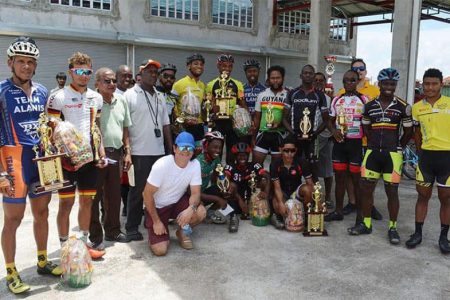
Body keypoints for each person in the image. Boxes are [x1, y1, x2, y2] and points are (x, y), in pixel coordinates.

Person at [0, 36, 62, 295]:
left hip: (41, 160)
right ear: (10, 63)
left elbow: (48, 124)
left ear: (35, 66)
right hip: (13, 161)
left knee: (42, 213)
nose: (25, 66)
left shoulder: (43, 91)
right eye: (21, 61)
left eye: (30, 62)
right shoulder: (1, 91)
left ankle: (42, 260)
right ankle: (11, 272)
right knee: (13, 219)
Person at [47, 52, 106, 258]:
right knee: (66, 203)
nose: (84, 75)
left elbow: (96, 127)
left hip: (89, 158)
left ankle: (82, 243)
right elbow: (50, 131)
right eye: (79, 71)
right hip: (66, 161)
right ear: (71, 72)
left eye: (87, 71)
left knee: (87, 201)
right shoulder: (58, 97)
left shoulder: (96, 97)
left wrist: (101, 152)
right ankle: (64, 246)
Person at [347, 68, 412, 244]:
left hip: (392, 155)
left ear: (396, 85)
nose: (389, 87)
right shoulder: (369, 106)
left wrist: (399, 146)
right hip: (372, 153)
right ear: (380, 84)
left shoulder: (403, 107)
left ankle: (393, 228)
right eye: (386, 84)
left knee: (392, 192)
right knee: (366, 189)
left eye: (393, 84)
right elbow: (366, 128)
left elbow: (408, 131)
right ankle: (366, 224)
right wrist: (373, 142)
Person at [124, 58, 173, 242]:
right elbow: (125, 126)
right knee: (137, 192)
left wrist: (170, 150)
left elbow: (166, 125)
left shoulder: (160, 97)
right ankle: (131, 227)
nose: (153, 75)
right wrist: (127, 150)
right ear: (141, 73)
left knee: (157, 190)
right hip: (139, 152)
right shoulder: (129, 95)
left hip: (158, 151)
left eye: (155, 73)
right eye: (149, 71)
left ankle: (152, 221)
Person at [406, 68, 450, 253]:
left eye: (434, 84)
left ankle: (443, 237)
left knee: (446, 199)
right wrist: (420, 152)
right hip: (426, 159)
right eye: (427, 84)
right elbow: (416, 132)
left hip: (447, 157)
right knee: (422, 196)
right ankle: (417, 233)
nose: (430, 87)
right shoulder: (417, 108)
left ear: (441, 84)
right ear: (422, 84)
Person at [143, 132, 206, 256]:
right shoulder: (162, 165)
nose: (186, 151)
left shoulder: (195, 165)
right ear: (174, 148)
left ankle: (182, 232)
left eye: (190, 148)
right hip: (158, 207)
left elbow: (196, 193)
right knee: (160, 250)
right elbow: (146, 195)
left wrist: (190, 209)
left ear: (194, 151)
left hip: (176, 202)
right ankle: (157, 228)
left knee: (200, 212)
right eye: (182, 147)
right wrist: (156, 221)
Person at [89, 68, 132, 245]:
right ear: (97, 84)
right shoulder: (91, 101)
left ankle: (113, 231)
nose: (112, 84)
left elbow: (125, 127)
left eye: (114, 81)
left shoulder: (121, 100)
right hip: (95, 156)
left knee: (113, 197)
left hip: (116, 153)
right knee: (93, 197)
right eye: (107, 81)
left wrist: (128, 151)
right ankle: (95, 236)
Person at [338, 58, 382, 219]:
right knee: (350, 174)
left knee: (369, 175)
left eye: (361, 68)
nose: (358, 71)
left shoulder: (375, 91)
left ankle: (369, 204)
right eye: (355, 69)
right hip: (349, 141)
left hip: (368, 140)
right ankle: (352, 201)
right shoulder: (341, 93)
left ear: (366, 71)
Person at [325, 70, 368, 223]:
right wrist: (334, 130)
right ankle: (338, 211)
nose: (349, 83)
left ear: (357, 81)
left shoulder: (364, 99)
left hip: (355, 144)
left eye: (352, 80)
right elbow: (329, 120)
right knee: (340, 178)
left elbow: (368, 122)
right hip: (340, 144)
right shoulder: (337, 99)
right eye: (346, 80)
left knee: (357, 180)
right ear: (342, 82)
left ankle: (360, 215)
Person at [282, 64, 329, 181]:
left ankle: (314, 198)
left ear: (314, 76)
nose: (308, 75)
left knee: (313, 169)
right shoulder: (292, 93)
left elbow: (326, 120)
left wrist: (315, 134)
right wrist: (293, 133)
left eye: (310, 73)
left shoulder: (320, 95)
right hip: (295, 137)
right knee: (293, 167)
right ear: (301, 75)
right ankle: (294, 196)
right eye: (305, 73)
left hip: (312, 139)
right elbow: (283, 118)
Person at [206, 54, 248, 164]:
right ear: (218, 66)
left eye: (230, 66)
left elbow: (242, 103)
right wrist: (211, 109)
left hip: (232, 122)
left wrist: (248, 120)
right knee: (216, 150)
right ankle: (217, 174)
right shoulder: (211, 84)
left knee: (232, 151)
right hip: (217, 122)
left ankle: (229, 173)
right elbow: (207, 105)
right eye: (224, 66)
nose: (227, 69)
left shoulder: (238, 84)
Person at [270, 135, 314, 229]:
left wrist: (313, 201)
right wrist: (281, 203)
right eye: (286, 150)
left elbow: (310, 184)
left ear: (296, 150)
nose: (289, 153)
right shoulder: (275, 164)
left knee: (308, 189)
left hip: (296, 191)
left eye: (292, 150)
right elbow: (277, 187)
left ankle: (306, 215)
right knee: (277, 204)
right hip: (283, 191)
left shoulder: (302, 162)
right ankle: (277, 216)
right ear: (281, 150)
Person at [224, 142, 270, 228]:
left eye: (245, 155)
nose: (242, 158)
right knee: (231, 186)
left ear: (248, 155)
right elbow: (225, 182)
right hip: (236, 197)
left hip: (252, 198)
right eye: (239, 155)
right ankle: (232, 217)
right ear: (235, 156)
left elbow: (267, 176)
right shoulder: (230, 167)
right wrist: (240, 201)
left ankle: (259, 207)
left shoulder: (254, 165)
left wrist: (265, 192)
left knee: (263, 181)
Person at [252, 65, 288, 165]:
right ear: (268, 79)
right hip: (263, 133)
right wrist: (253, 137)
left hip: (280, 135)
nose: (275, 81)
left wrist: (280, 124)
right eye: (272, 78)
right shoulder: (261, 95)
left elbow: (289, 118)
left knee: (276, 169)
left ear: (283, 79)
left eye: (278, 78)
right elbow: (257, 118)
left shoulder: (288, 95)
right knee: (256, 166)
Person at [172, 54, 206, 150]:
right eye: (195, 64)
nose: (199, 66)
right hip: (184, 126)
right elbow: (172, 106)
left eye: (201, 64)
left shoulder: (203, 85)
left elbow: (203, 107)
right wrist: (181, 121)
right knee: (185, 153)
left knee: (198, 153)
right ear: (188, 66)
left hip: (199, 126)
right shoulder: (178, 84)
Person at [313, 72, 333, 208]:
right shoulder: (308, 95)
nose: (318, 82)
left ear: (325, 82)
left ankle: (328, 197)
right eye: (316, 80)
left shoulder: (330, 99)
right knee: (312, 167)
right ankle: (314, 195)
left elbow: (331, 119)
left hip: (325, 136)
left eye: (321, 80)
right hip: (310, 137)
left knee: (327, 169)